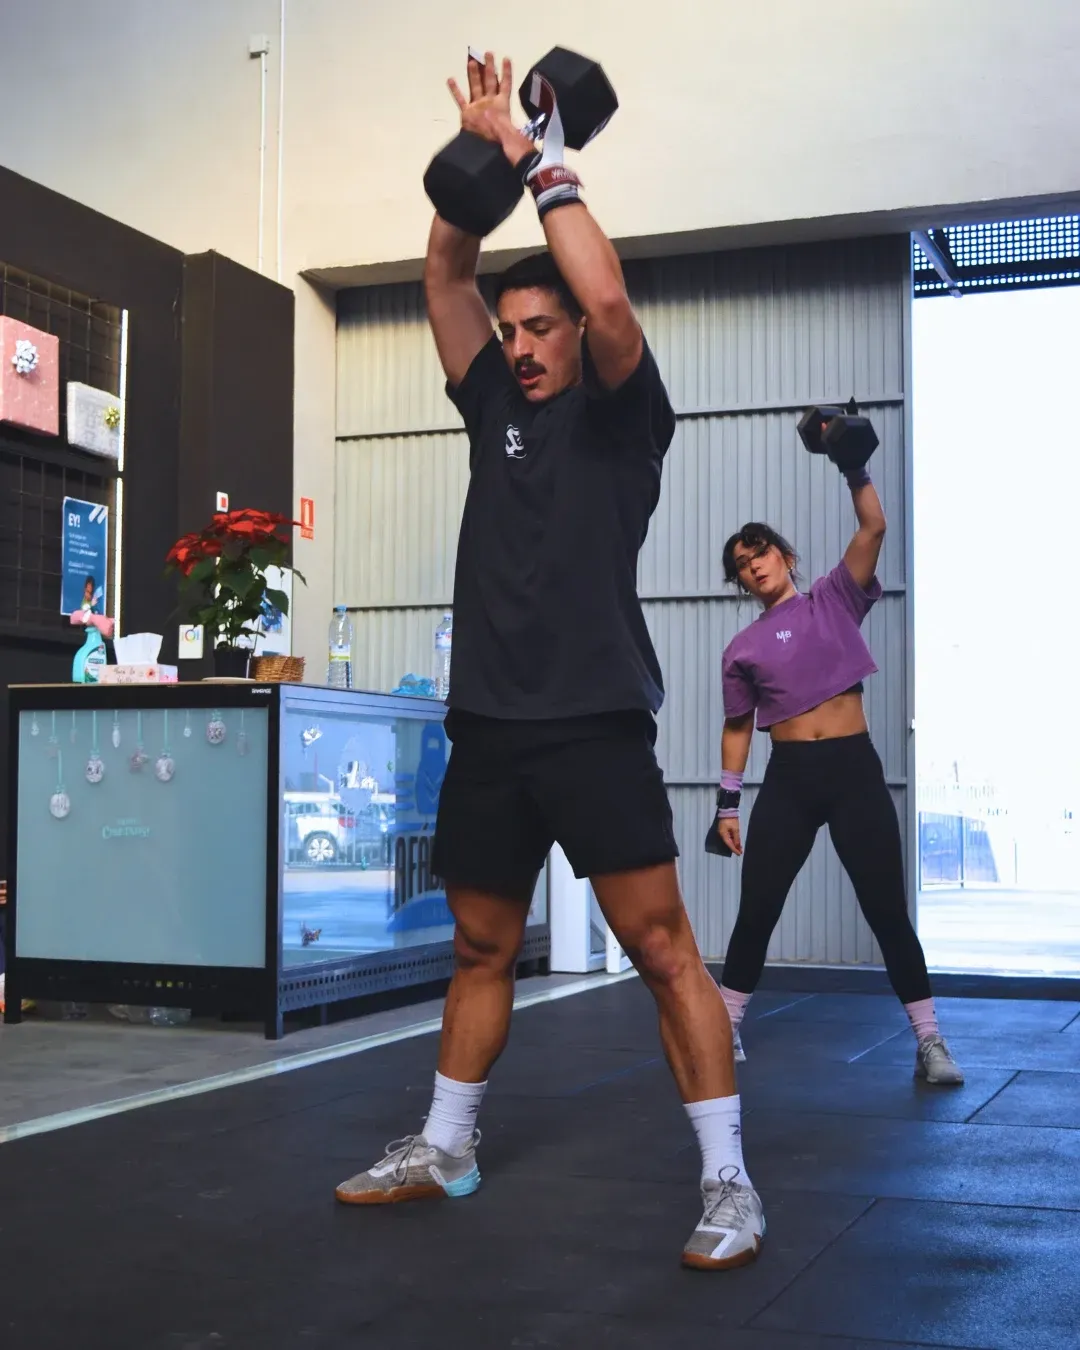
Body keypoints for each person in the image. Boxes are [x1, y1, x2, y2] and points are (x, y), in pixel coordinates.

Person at [335, 50, 765, 1271]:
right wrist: (474, 169)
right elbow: (443, 271)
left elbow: (617, 306)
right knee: (480, 947)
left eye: (540, 327)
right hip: (491, 726)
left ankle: (727, 1179)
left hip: (591, 720)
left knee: (663, 949)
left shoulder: (624, 414)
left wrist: (545, 163)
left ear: (574, 333)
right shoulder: (493, 408)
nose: (521, 344)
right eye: (512, 331)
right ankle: (448, 1145)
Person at [713, 452, 964, 1086]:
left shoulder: (834, 597)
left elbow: (873, 528)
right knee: (758, 911)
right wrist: (726, 804)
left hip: (854, 771)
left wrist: (855, 467)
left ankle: (930, 1041)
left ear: (785, 557)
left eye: (760, 552)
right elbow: (739, 727)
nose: (753, 565)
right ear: (741, 582)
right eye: (742, 565)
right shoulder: (741, 649)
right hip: (791, 777)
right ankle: (724, 1030)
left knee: (886, 911)